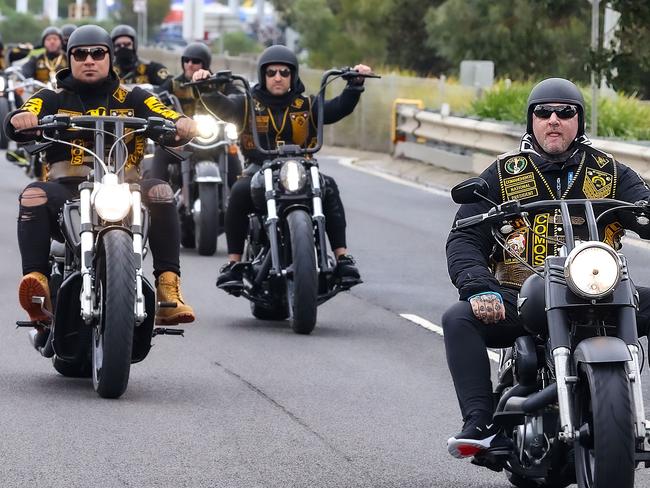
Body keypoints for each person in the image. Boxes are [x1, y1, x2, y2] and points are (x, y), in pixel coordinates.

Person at [443, 77, 650, 459]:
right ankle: (481, 424)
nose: (553, 119)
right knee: (459, 318)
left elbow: (644, 206)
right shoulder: (505, 173)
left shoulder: (611, 172)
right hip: (524, 295)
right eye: (543, 112)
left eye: (565, 112)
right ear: (532, 120)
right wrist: (478, 288)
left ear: (579, 121)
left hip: (600, 289)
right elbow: (464, 238)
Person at [6, 25, 197, 329]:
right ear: (70, 59)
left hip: (127, 186)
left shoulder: (135, 96)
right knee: (33, 194)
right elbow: (23, 114)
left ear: (109, 58)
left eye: (98, 53)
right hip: (66, 191)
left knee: (160, 190)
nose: (89, 60)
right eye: (80, 54)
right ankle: (37, 283)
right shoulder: (51, 97)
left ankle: (167, 289)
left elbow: (165, 114)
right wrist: (20, 119)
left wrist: (182, 123)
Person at [190, 44, 369, 289]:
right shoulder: (247, 104)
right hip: (258, 169)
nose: (278, 78)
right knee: (240, 192)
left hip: (302, 168)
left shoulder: (307, 105)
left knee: (330, 187)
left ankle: (342, 257)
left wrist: (355, 86)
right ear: (263, 76)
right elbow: (222, 107)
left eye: (284, 73)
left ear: (293, 76)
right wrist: (205, 87)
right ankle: (233, 264)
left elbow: (337, 108)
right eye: (272, 72)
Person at [147, 41, 242, 187]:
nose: (190, 64)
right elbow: (155, 98)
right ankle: (154, 199)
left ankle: (236, 203)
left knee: (232, 155)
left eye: (196, 61)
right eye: (186, 60)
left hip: (215, 142)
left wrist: (223, 96)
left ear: (205, 64)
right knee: (161, 152)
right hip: (184, 142)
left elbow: (237, 99)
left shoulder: (218, 83)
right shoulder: (174, 84)